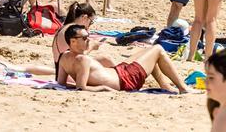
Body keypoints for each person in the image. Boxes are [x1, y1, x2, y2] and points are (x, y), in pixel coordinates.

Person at [56, 24, 187, 93]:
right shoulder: (82, 59)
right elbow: (81, 88)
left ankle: (164, 85)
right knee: (157, 49)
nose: (89, 39)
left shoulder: (63, 57)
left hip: (121, 72)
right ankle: (183, 88)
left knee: (147, 51)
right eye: (84, 38)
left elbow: (61, 83)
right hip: (126, 80)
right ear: (73, 41)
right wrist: (102, 87)